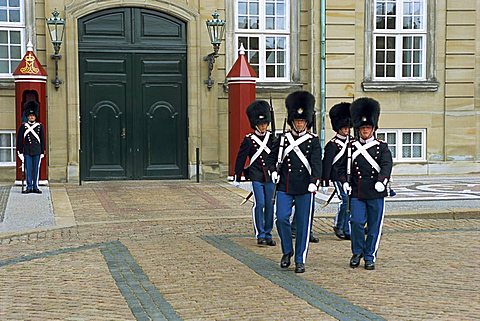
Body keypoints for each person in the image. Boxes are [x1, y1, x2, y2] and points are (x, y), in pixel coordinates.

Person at [269, 91, 322, 273]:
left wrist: (315, 181)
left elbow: (316, 162)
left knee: (302, 224)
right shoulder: (283, 139)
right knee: (282, 218)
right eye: (297, 121)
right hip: (285, 185)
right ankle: (287, 250)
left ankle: (300, 259)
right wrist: (273, 172)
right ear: (292, 121)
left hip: (305, 187)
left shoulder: (313, 141)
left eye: (302, 121)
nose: (299, 124)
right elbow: (271, 158)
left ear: (307, 122)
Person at [338, 97, 393, 270]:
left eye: (368, 128)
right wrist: (344, 182)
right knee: (356, 222)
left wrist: (382, 181)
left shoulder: (381, 147)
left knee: (374, 227)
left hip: (376, 192)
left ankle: (370, 255)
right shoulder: (351, 147)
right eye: (362, 128)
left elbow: (386, 165)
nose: (365, 131)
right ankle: (357, 251)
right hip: (358, 192)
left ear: (373, 128)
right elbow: (341, 168)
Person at [233, 100, 276, 246]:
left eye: (265, 124)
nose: (263, 126)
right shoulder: (249, 140)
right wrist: (237, 176)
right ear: (255, 124)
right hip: (256, 175)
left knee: (270, 204)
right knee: (260, 203)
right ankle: (260, 233)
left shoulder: (273, 138)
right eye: (261, 124)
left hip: (270, 176)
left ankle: (268, 233)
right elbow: (241, 158)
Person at [321, 102, 352, 240]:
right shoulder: (332, 145)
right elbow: (327, 164)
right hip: (337, 176)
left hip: (348, 176)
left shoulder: (352, 141)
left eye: (347, 127)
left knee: (351, 202)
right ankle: (339, 226)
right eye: (343, 127)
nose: (346, 130)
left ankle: (346, 228)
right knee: (344, 200)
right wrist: (325, 181)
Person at [17, 101, 45, 194]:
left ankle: (35, 186)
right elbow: (19, 140)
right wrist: (19, 152)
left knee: (36, 169)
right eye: (30, 115)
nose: (31, 117)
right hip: (27, 151)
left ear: (35, 116)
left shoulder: (40, 126)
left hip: (37, 150)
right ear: (27, 116)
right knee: (28, 169)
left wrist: (42, 151)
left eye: (33, 115)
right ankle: (29, 187)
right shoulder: (23, 126)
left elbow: (42, 139)